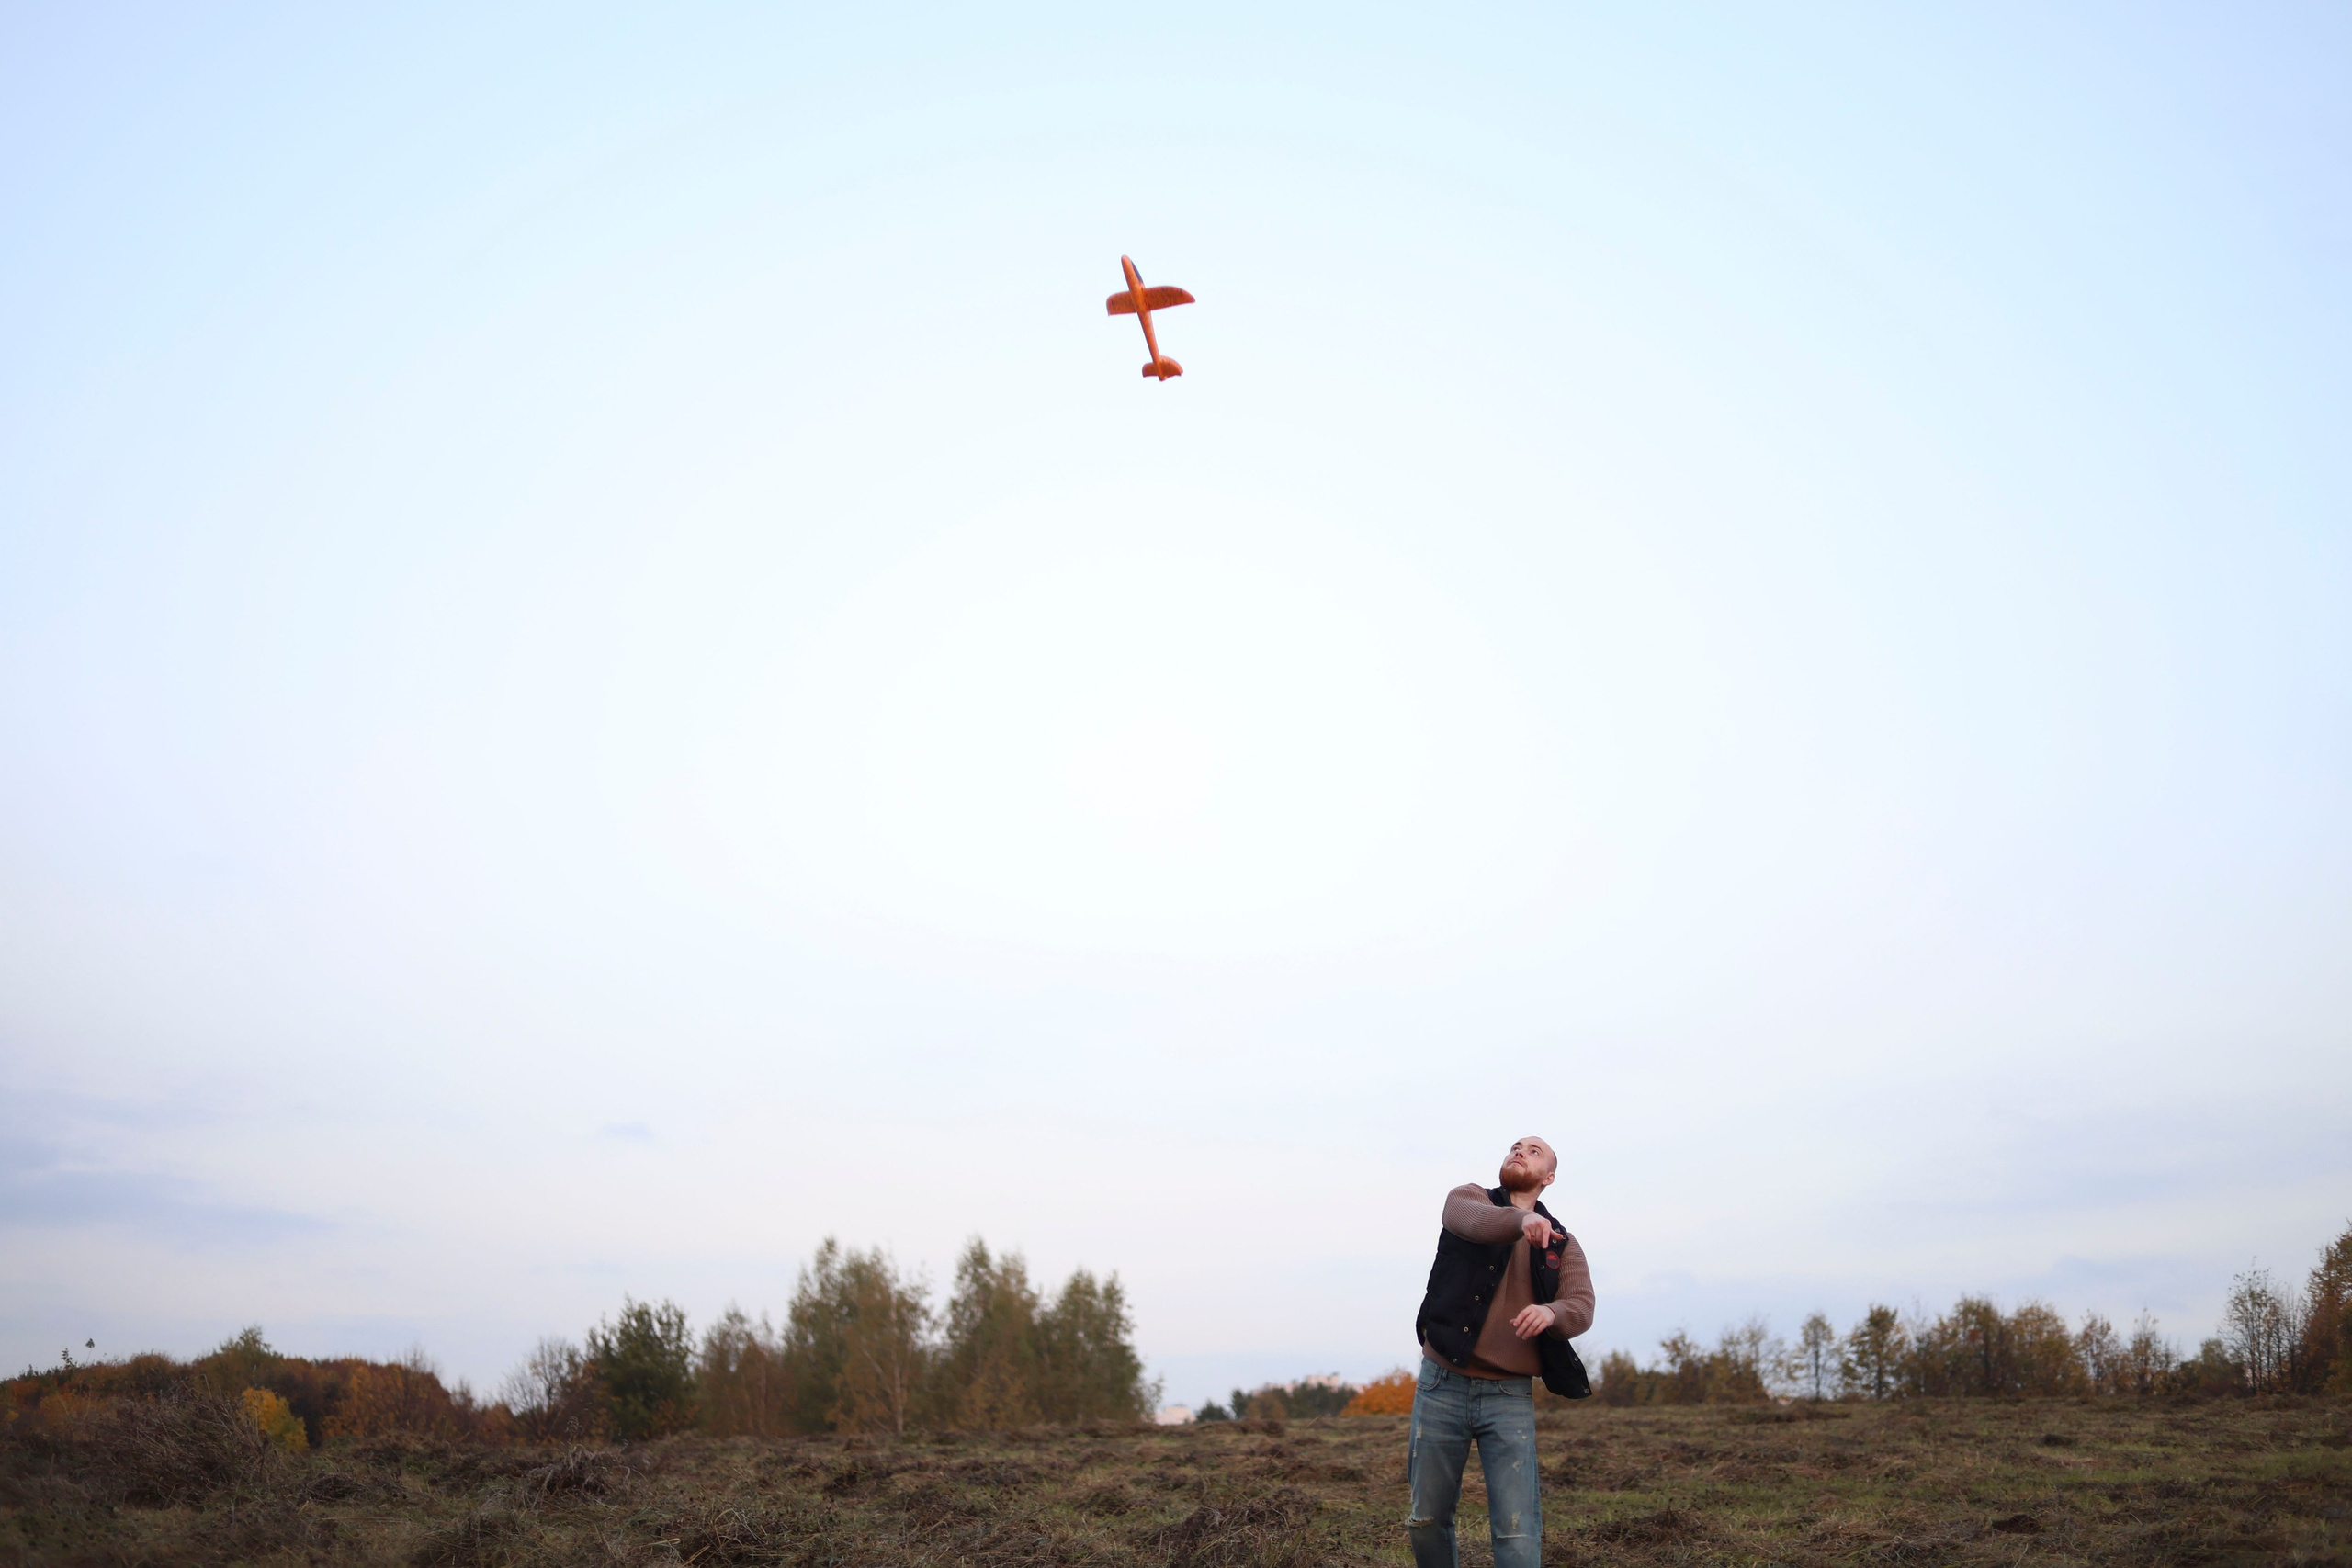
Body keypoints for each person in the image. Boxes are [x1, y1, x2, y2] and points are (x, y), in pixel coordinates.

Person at [1405, 1135, 1595, 1568]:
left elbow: (1581, 1306)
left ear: (1549, 1177)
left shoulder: (1563, 1244)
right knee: (1426, 1520)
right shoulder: (1468, 1200)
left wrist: (1552, 1313)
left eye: (1533, 1151)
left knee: (1517, 1528)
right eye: (1515, 1146)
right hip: (1441, 1386)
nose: (1519, 1151)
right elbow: (1473, 1222)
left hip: (1508, 1397)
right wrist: (1518, 1222)